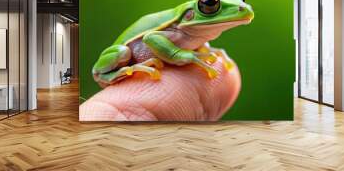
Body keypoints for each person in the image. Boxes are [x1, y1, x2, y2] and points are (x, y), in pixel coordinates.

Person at [79, 56, 241, 121]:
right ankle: (111, 72)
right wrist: (186, 56)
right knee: (122, 52)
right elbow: (151, 37)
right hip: (126, 54)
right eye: (210, 4)